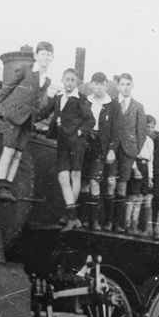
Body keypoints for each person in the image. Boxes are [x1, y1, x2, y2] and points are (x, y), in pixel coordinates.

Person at [0, 41, 53, 201]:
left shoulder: (48, 79)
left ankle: (7, 187)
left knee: (18, 154)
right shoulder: (25, 70)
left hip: (29, 119)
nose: (46, 58)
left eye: (49, 55)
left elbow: (39, 101)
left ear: (52, 58)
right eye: (43, 54)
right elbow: (8, 87)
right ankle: (0, 187)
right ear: (36, 56)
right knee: (8, 150)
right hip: (15, 115)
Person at [38, 68, 95, 231]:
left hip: (77, 141)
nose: (69, 82)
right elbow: (45, 112)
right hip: (62, 139)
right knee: (63, 177)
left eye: (72, 80)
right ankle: (73, 217)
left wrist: (79, 131)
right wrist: (30, 119)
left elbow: (90, 120)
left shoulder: (81, 99)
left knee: (75, 175)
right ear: (62, 80)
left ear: (76, 82)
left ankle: (69, 216)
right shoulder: (57, 96)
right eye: (67, 79)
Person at [107, 73, 148, 233]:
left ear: (132, 86)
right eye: (122, 84)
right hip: (112, 149)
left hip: (129, 152)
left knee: (122, 186)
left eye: (128, 84)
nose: (125, 87)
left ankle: (117, 223)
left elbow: (142, 131)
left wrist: (135, 151)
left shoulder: (138, 107)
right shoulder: (111, 103)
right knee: (111, 183)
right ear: (118, 86)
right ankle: (108, 221)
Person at [83, 72, 121, 231]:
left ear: (106, 86)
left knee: (110, 182)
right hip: (88, 144)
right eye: (96, 84)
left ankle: (108, 221)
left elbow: (116, 129)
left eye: (102, 84)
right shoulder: (85, 102)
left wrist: (112, 149)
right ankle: (91, 220)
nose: (99, 87)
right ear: (91, 85)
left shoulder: (113, 105)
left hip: (106, 145)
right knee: (90, 181)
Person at [125, 126, 154, 235]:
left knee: (140, 198)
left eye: (152, 127)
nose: (149, 129)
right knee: (132, 197)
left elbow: (151, 160)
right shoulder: (136, 138)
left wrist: (150, 177)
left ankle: (134, 225)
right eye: (147, 126)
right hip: (136, 165)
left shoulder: (150, 141)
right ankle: (127, 224)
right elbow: (132, 155)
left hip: (145, 167)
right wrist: (135, 169)